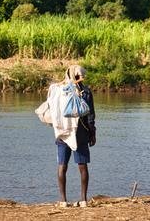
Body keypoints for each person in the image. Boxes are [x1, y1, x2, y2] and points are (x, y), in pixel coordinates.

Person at [53, 65, 96, 208]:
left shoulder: (59, 90)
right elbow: (90, 116)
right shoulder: (86, 92)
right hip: (81, 134)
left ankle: (63, 201)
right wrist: (92, 133)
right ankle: (83, 200)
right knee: (82, 167)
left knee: (62, 167)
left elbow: (53, 111)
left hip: (63, 133)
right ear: (80, 76)